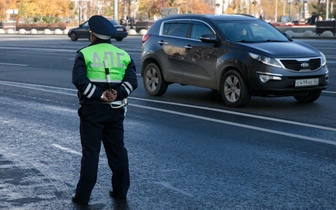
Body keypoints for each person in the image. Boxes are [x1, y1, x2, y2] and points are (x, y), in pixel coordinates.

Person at [71, 15, 138, 205]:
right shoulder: (123, 55)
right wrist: (117, 94)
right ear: (108, 37)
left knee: (91, 153)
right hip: (115, 111)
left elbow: (79, 80)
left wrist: (100, 95)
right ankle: (120, 192)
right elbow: (132, 82)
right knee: (117, 151)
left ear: (92, 35)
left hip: (92, 111)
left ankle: (83, 196)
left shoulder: (84, 54)